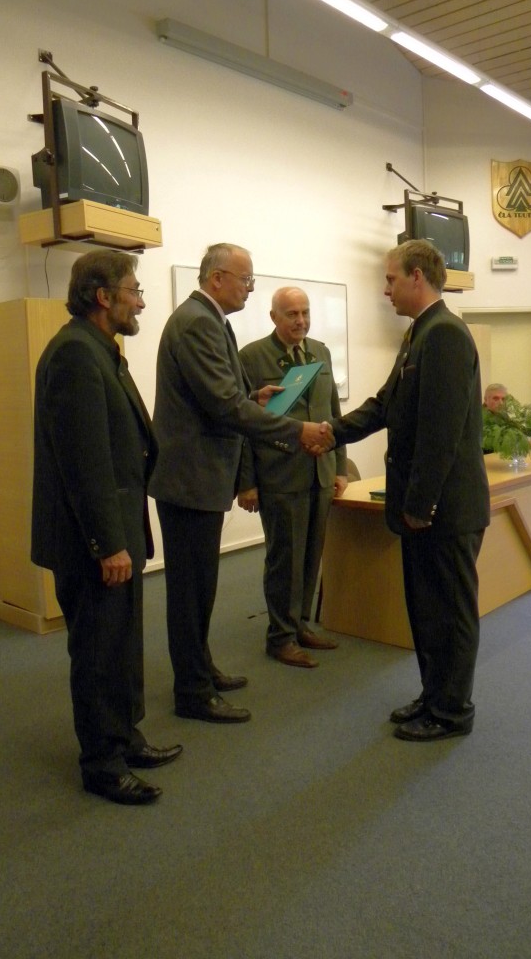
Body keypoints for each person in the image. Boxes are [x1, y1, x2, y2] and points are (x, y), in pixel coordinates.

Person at [149, 243, 334, 724]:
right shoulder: (197, 323)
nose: (250, 288)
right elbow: (224, 407)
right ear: (217, 279)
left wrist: (255, 397)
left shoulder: (210, 321)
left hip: (199, 479)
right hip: (191, 480)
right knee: (190, 592)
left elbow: (223, 398)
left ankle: (201, 669)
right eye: (246, 279)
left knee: (200, 589)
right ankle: (192, 692)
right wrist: (295, 429)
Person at [31, 250, 182, 806]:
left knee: (120, 645)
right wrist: (107, 544)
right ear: (103, 296)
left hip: (115, 533)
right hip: (92, 543)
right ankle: (101, 764)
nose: (140, 302)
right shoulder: (75, 354)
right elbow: (84, 463)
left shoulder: (98, 349)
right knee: (97, 654)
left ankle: (124, 737)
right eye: (134, 291)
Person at [331, 240, 490, 742]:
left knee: (450, 612)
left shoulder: (444, 334)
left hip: (444, 509)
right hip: (424, 507)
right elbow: (386, 405)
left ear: (417, 276)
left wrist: (421, 504)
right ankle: (433, 694)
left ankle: (452, 711)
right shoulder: (420, 332)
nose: (386, 289)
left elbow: (441, 433)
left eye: (391, 279)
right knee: (426, 610)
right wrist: (330, 432)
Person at [237, 287, 347, 667]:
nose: (301, 321)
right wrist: (247, 482)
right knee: (285, 559)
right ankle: (280, 637)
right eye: (292, 314)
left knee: (311, 554)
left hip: (320, 472)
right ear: (274, 317)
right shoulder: (252, 357)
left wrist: (340, 467)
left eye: (305, 312)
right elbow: (243, 425)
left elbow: (332, 413)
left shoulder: (321, 351)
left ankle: (300, 625)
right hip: (279, 475)